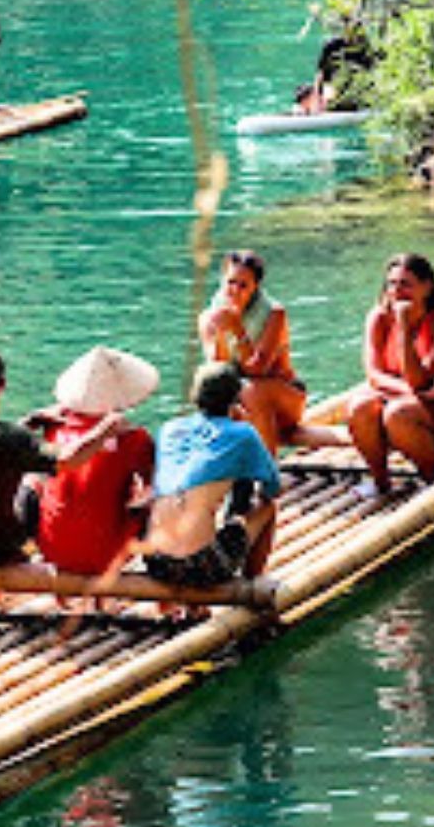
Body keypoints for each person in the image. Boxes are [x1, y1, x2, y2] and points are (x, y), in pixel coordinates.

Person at [0, 343, 128, 568]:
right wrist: (105, 428)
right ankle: (43, 550)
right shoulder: (11, 438)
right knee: (35, 480)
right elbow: (68, 459)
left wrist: (28, 421)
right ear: (2, 385)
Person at [125, 362, 281, 593]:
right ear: (236, 399)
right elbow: (273, 487)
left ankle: (184, 603)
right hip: (202, 566)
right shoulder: (243, 434)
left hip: (155, 561)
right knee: (267, 507)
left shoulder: (169, 429)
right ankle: (252, 583)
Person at [347, 254, 434, 495]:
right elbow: (374, 374)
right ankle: (381, 481)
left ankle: (433, 478)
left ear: (427, 287)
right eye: (392, 284)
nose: (397, 291)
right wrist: (411, 393)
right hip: (411, 396)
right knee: (358, 407)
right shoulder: (379, 317)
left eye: (405, 284)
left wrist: (403, 325)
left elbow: (419, 379)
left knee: (398, 413)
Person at [31, 346, 159, 576]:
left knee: (34, 480)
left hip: (53, 549)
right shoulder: (135, 439)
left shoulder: (52, 426)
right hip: (106, 554)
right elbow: (153, 488)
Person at [199, 250, 306, 453]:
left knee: (251, 390)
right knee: (212, 393)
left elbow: (257, 370)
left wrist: (237, 329)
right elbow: (217, 368)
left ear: (255, 287)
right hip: (240, 400)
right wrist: (221, 332)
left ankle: (267, 467)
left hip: (284, 401)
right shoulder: (208, 318)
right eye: (230, 282)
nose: (235, 290)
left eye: (243, 285)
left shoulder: (274, 314)